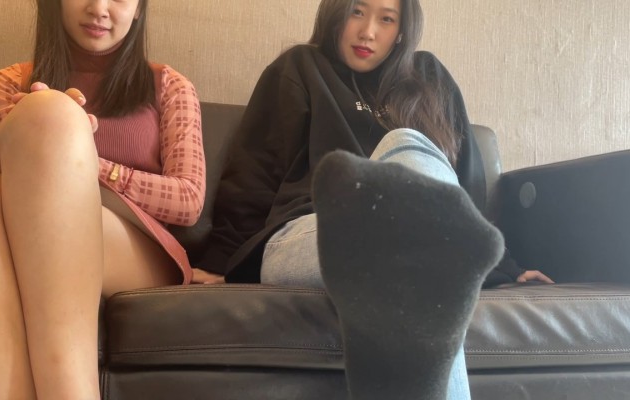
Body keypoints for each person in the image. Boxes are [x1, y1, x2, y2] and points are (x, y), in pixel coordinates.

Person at [192, 0, 551, 399]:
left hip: (422, 230)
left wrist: (504, 264)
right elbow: (254, 173)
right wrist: (221, 261)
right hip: (312, 230)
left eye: (386, 19)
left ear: (402, 30)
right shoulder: (299, 68)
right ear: (336, 12)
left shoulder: (428, 77)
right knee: (418, 241)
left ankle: (422, 237)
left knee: (408, 153)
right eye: (357, 12)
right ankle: (425, 239)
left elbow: (463, 187)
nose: (368, 32)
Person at [0, 0, 204, 398]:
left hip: (139, 248)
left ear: (140, 9)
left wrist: (79, 155)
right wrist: (51, 130)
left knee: (51, 114)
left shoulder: (169, 85)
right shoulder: (9, 82)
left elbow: (188, 200)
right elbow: (5, 191)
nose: (99, 8)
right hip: (32, 230)